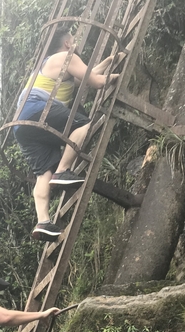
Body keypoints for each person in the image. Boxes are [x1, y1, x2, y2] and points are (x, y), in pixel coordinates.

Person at [14, 27, 120, 242]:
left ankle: (43, 221)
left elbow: (86, 78)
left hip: (22, 124)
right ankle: (63, 171)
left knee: (43, 172)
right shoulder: (67, 56)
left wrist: (109, 60)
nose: (76, 41)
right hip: (39, 110)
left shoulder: (50, 63)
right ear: (67, 44)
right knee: (84, 125)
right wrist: (118, 75)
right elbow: (98, 82)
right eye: (74, 39)